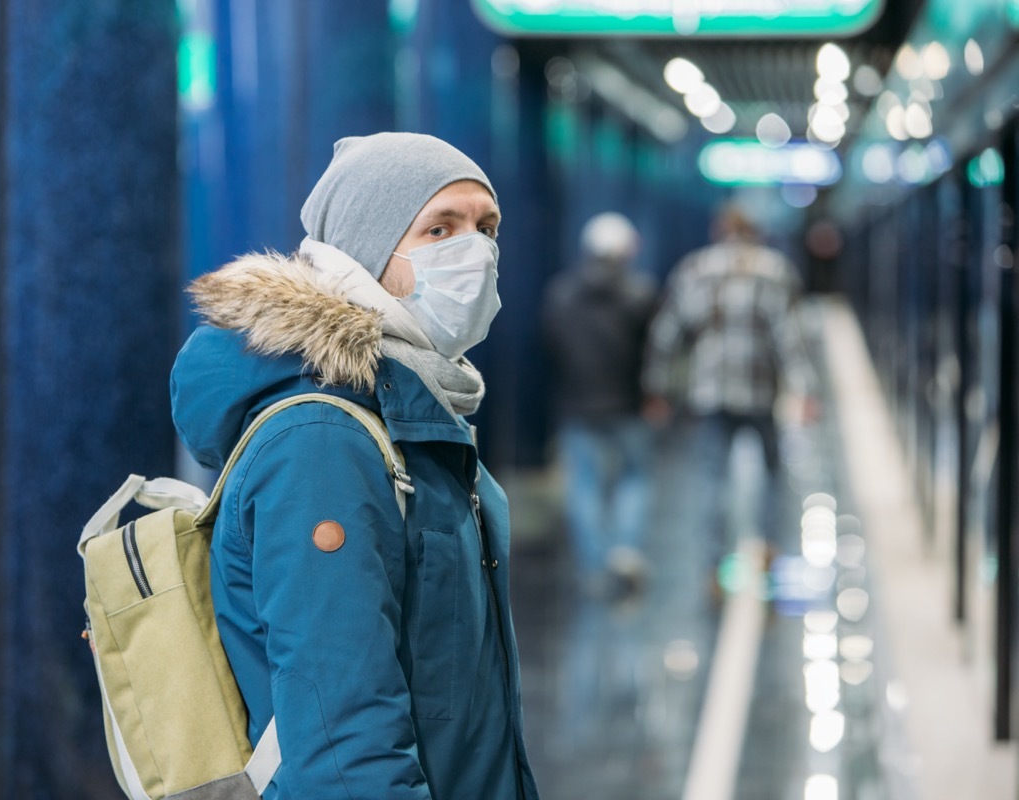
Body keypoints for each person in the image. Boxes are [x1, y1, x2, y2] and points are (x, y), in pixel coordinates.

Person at [170, 132, 540, 800]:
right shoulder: (324, 441)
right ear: (367, 251)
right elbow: (344, 750)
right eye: (440, 227)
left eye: (487, 227)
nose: (477, 251)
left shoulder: (417, 409)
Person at [642, 202, 818, 595]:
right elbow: (790, 337)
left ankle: (714, 562)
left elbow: (668, 334)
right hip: (761, 392)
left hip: (711, 393)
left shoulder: (696, 269)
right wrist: (805, 391)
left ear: (718, 231)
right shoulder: (774, 270)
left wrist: (658, 388)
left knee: (712, 479)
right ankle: (768, 547)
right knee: (772, 476)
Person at [541, 212, 657, 596]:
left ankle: (593, 566)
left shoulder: (560, 294)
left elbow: (549, 349)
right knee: (633, 477)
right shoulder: (641, 295)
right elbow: (654, 352)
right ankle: (624, 550)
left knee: (585, 484)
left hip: (577, 404)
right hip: (628, 404)